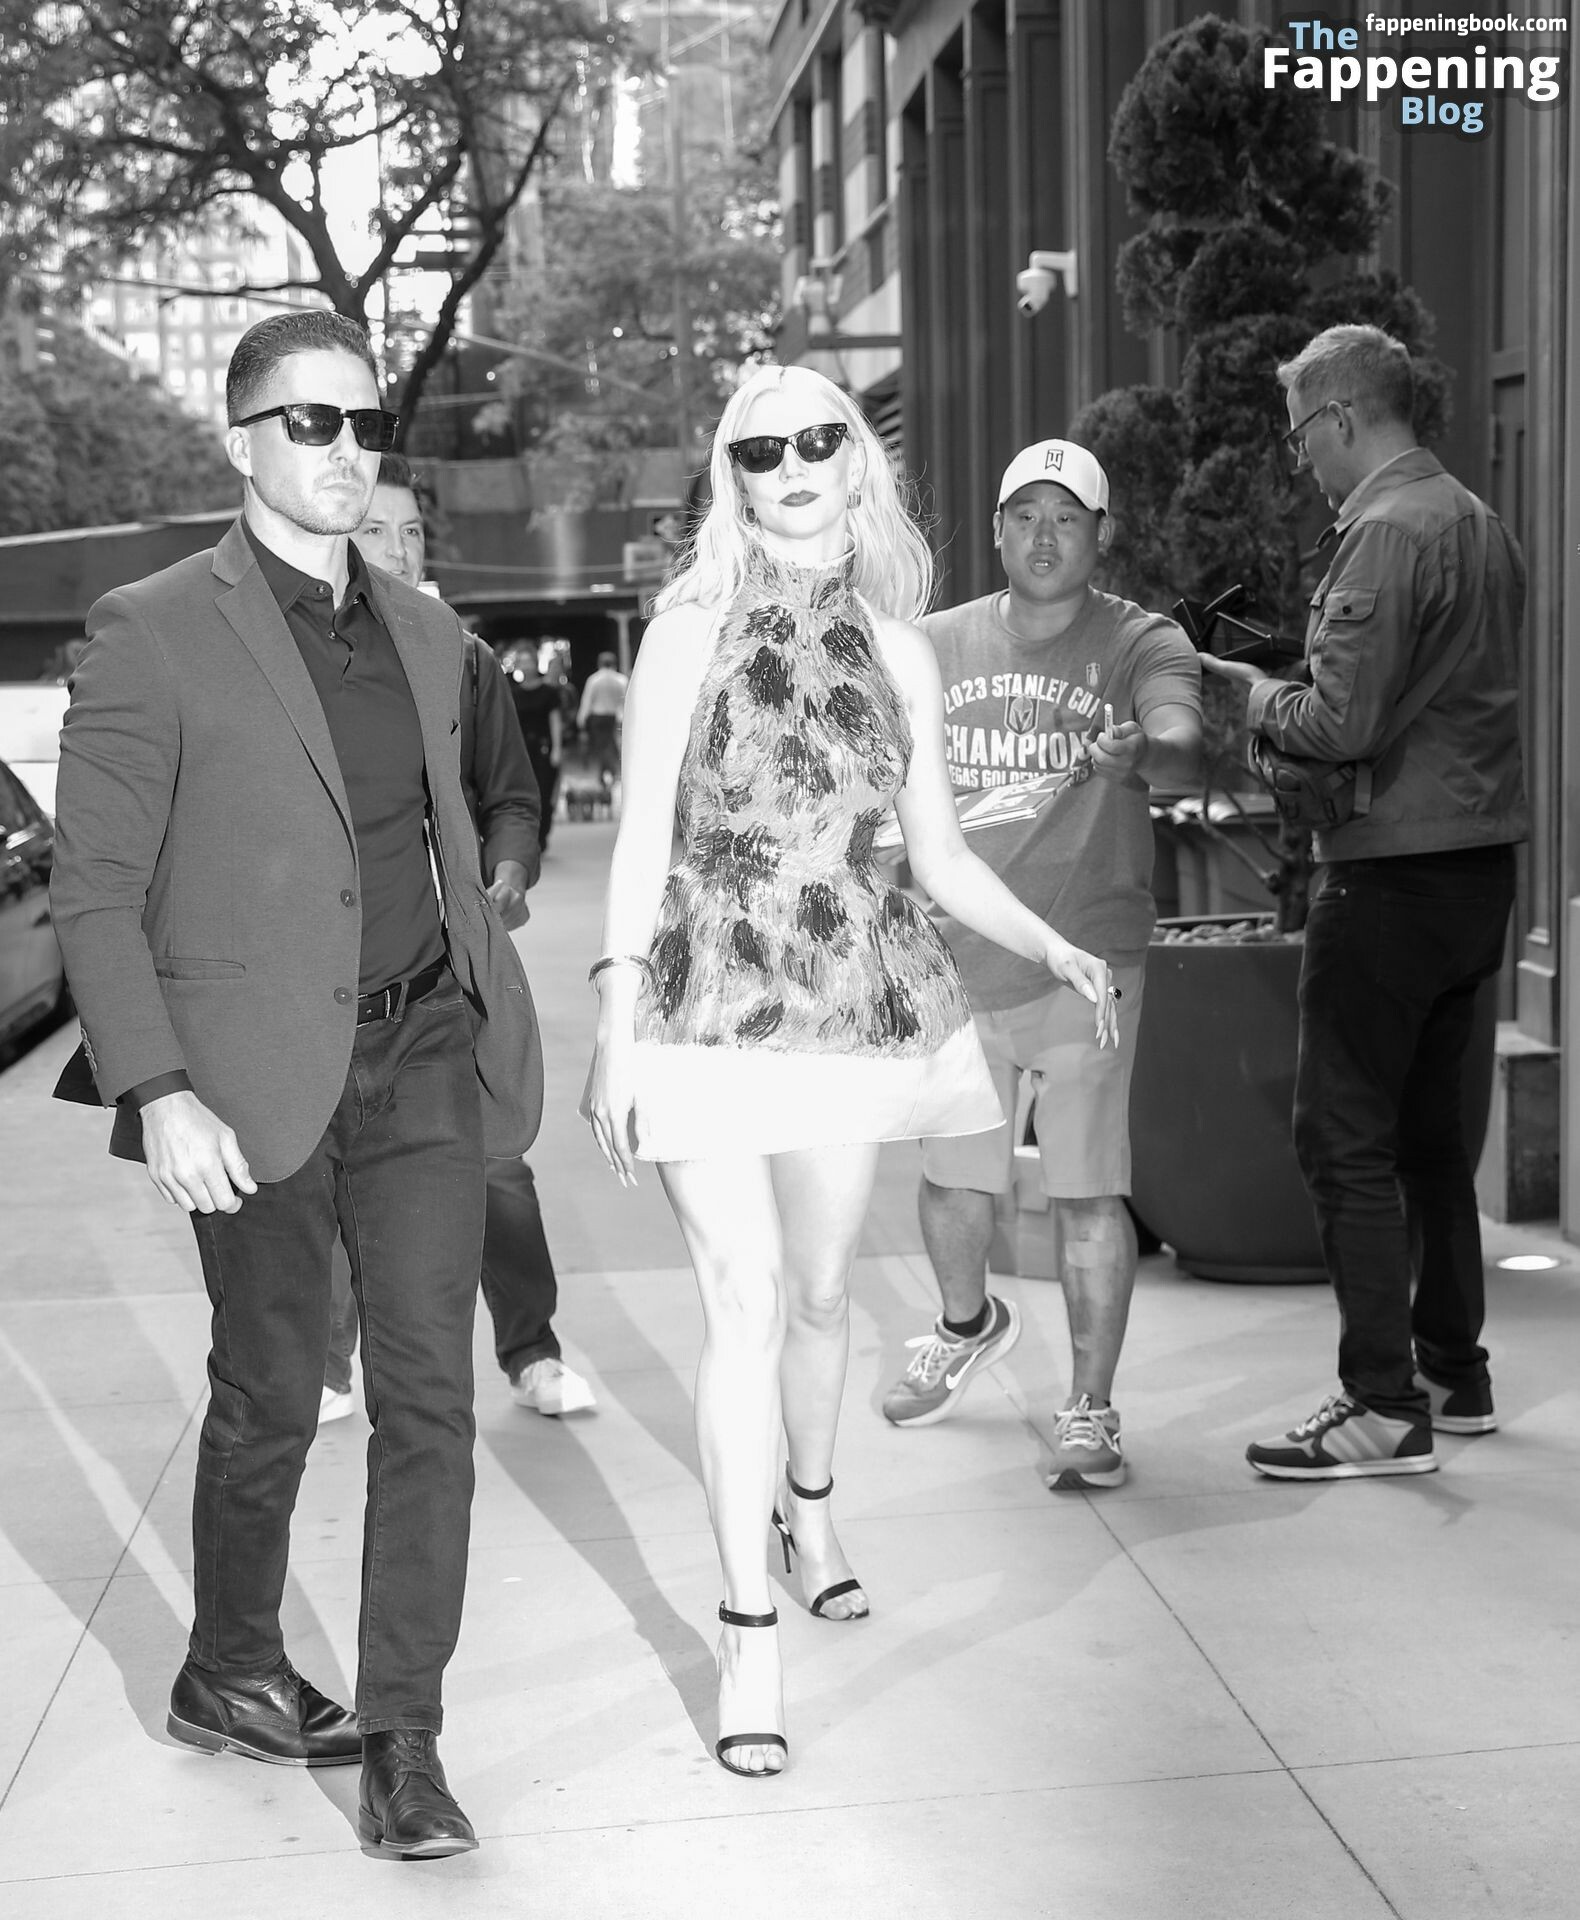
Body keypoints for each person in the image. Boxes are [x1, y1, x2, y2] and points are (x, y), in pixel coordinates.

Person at [49, 311, 542, 1860]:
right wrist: (159, 1088)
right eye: (308, 421)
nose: (344, 450)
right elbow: (92, 892)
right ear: (241, 440)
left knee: (428, 1398)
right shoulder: (149, 628)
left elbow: (454, 832)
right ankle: (231, 1667)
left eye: (363, 422)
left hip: (421, 1055)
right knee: (268, 1396)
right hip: (249, 1077)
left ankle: (405, 1743)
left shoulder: (428, 636)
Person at [583, 365, 1117, 1779]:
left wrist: (1050, 942)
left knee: (821, 1293)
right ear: (733, 477)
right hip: (704, 994)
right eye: (760, 449)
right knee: (742, 1301)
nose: (793, 463)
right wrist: (613, 1013)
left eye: (818, 438)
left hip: (843, 992)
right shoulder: (683, 634)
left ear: (856, 462)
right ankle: (744, 1634)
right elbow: (639, 841)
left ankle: (809, 1513)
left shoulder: (901, 650)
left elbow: (935, 855)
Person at [1205, 324, 1528, 1481]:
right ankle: (1452, 1374)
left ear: (1341, 417)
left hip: (1387, 874)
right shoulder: (1476, 520)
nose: (1300, 461)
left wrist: (1247, 697)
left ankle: (1381, 1406)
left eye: (1301, 436)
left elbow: (1339, 724)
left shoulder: (1384, 532)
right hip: (1474, 868)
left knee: (1340, 1137)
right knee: (1429, 1139)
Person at [879, 440, 1201, 1492]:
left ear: (1101, 533)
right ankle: (964, 1324)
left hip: (1085, 963)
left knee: (1084, 1191)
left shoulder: (1140, 640)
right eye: (1025, 516)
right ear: (996, 529)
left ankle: (1089, 1405)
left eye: (1067, 517)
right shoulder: (934, 643)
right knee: (952, 1181)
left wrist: (1142, 752)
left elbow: (1180, 733)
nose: (1044, 536)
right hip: (955, 962)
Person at [311, 455, 593, 1423]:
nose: (396, 550)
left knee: (493, 1163)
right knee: (326, 1155)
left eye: (411, 533)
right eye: (374, 530)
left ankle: (532, 1351)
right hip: (332, 965)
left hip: (451, 966)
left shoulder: (459, 657)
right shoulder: (298, 657)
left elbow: (512, 796)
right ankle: (329, 1362)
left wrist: (507, 869)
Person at [504, 642, 564, 853]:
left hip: (543, 747)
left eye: (528, 661)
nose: (525, 665)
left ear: (536, 663)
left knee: (544, 793)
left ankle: (542, 833)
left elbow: (555, 720)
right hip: (521, 750)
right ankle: (528, 835)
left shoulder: (548, 692)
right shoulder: (513, 693)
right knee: (523, 794)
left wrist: (557, 748)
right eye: (521, 662)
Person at [576, 649, 628, 786]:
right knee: (612, 745)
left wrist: (581, 719)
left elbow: (587, 700)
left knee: (601, 746)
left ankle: (605, 772)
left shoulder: (594, 680)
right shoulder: (621, 680)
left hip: (597, 717)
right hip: (614, 717)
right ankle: (610, 772)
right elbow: (625, 702)